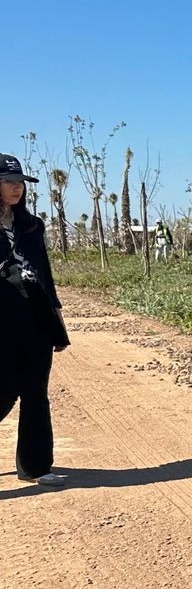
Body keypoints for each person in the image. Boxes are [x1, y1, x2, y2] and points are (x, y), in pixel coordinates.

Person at [1, 153, 70, 487]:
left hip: (36, 318)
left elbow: (44, 271)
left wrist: (55, 313)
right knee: (3, 392)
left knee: (35, 393)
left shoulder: (31, 225)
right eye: (9, 182)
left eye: (20, 183)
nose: (17, 189)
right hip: (2, 319)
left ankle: (36, 466)